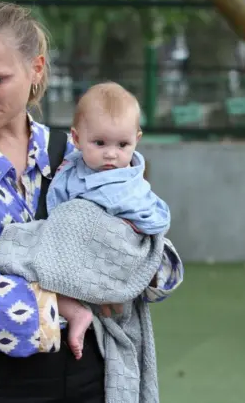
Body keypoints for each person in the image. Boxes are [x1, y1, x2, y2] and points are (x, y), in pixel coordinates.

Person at [0, 1, 181, 403]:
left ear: (36, 69)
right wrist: (57, 303)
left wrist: (139, 261)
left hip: (95, 370)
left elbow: (152, 261)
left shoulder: (76, 150)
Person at [47, 81, 171, 360]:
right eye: (99, 143)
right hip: (71, 264)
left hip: (113, 262)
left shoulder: (127, 183)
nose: (111, 154)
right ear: (77, 139)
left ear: (136, 139)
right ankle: (77, 313)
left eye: (122, 144)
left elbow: (152, 220)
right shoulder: (69, 169)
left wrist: (129, 229)